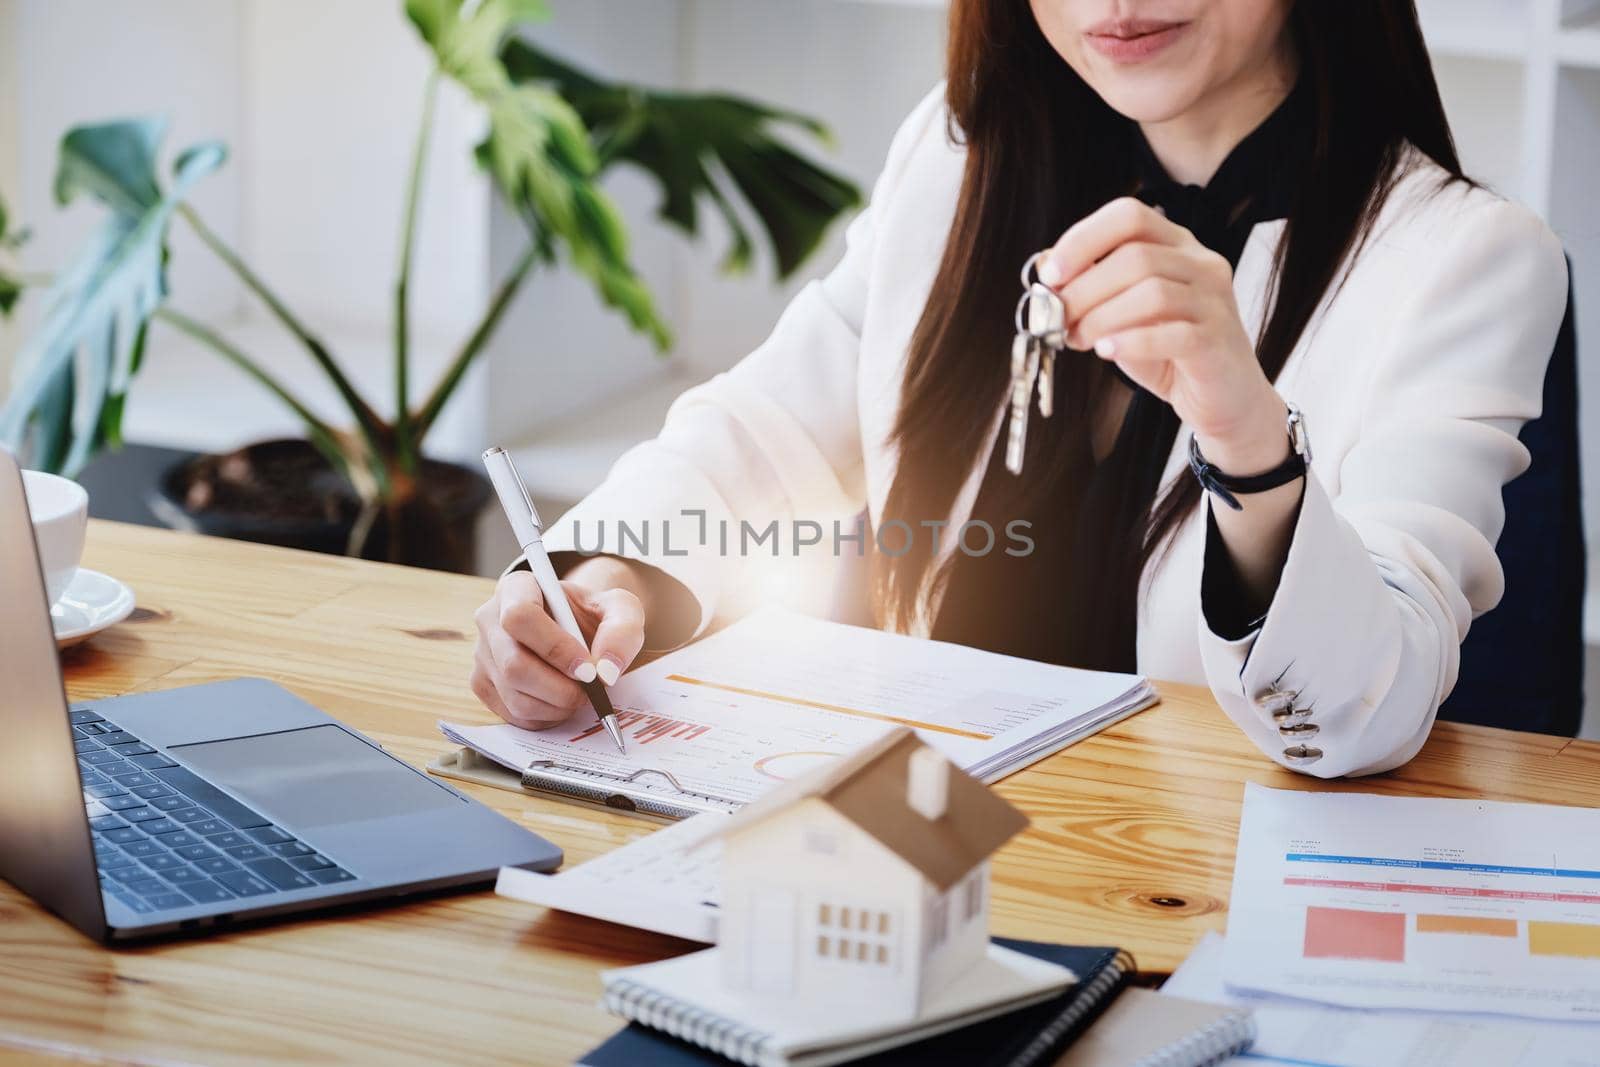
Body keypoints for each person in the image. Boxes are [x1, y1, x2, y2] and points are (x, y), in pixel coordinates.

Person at [470, 0, 1568, 778]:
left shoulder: (1465, 259)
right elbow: (767, 426)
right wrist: (603, 571)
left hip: (1188, 885)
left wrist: (1242, 428)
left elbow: (1355, 711)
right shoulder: (960, 152)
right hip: (912, 856)